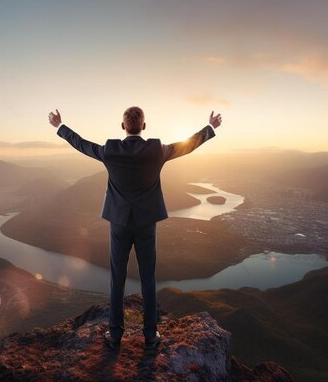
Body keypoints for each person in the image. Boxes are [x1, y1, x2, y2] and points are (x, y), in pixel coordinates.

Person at [48, 106, 221, 350]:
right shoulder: (156, 150)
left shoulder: (110, 150)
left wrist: (60, 127)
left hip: (118, 223)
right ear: (144, 126)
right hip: (146, 223)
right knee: (148, 278)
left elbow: (82, 144)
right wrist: (210, 128)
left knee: (117, 279)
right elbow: (187, 145)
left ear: (122, 126)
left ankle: (115, 335)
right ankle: (151, 335)